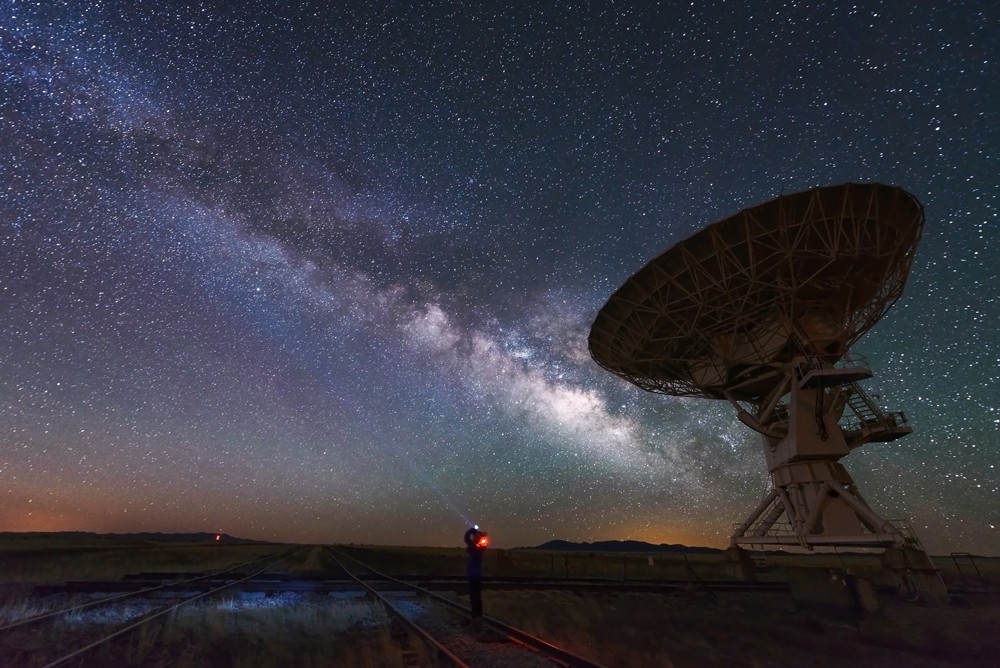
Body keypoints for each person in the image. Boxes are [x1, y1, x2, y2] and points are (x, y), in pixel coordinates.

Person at [463, 525, 488, 621]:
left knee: (474, 597)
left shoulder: (475, 549)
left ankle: (476, 617)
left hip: (474, 576)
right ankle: (478, 616)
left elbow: (466, 538)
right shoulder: (479, 548)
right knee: (477, 597)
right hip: (476, 575)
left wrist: (471, 531)